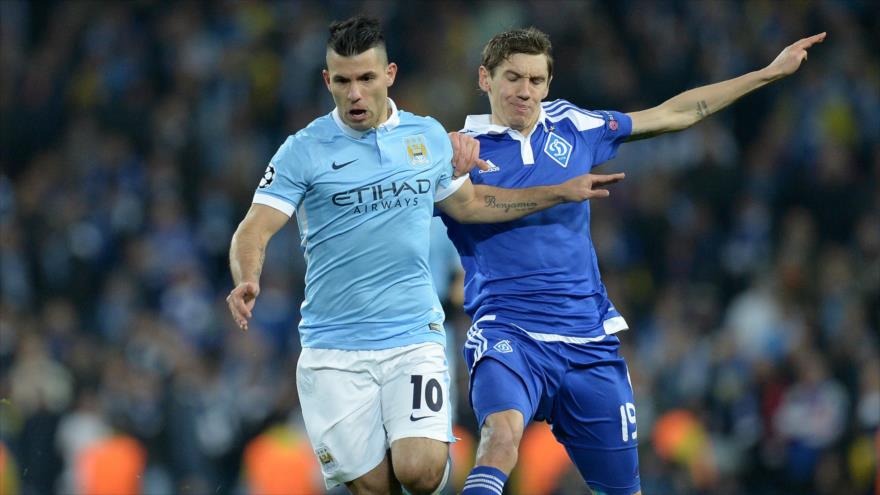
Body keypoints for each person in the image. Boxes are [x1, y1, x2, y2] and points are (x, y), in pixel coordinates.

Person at [225, 17, 625, 495]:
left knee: (422, 468)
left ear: (388, 75)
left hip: (413, 335)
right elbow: (254, 227)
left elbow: (474, 204)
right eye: (344, 81)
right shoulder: (302, 151)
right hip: (334, 346)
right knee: (373, 486)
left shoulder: (428, 138)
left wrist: (557, 192)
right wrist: (247, 277)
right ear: (327, 80)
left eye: (367, 79)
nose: (356, 94)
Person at [443, 27, 826, 495]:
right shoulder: (457, 151)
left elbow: (673, 112)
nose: (525, 92)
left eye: (536, 80)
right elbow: (472, 204)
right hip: (509, 332)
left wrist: (766, 74)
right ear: (485, 78)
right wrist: (558, 193)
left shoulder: (574, 125)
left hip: (588, 342)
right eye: (512, 78)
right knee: (499, 439)